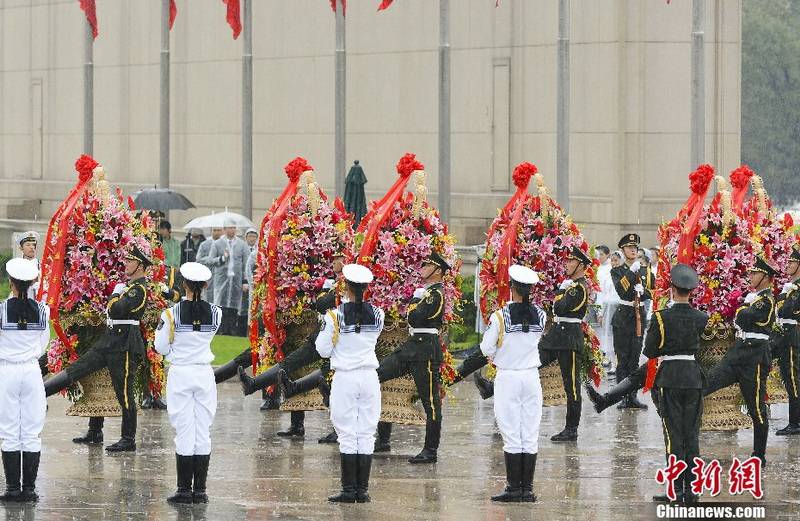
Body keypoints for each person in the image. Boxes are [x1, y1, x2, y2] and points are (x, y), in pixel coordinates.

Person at [44, 246, 152, 452]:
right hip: (110, 341)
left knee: (125, 393)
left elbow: (116, 309)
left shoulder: (139, 290)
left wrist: (114, 295)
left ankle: (128, 439)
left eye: (130, 261)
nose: (126, 264)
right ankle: (40, 393)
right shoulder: (130, 288)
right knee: (78, 369)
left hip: (125, 345)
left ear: (140, 266)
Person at [239, 255, 344, 441]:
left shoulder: (344, 286)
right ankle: (254, 385)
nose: (333, 262)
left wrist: (325, 291)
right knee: (290, 365)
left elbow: (322, 304)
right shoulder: (334, 284)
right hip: (320, 339)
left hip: (340, 344)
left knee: (330, 381)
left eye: (338, 259)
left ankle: (339, 430)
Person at [316, 264, 384, 503]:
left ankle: (348, 490)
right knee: (366, 432)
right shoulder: (378, 314)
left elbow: (322, 350)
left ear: (345, 286)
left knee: (346, 433)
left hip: (346, 376)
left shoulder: (334, 316)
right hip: (369, 376)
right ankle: (362, 491)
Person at [373, 251, 449, 464]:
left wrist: (415, 300)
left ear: (438, 271)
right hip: (411, 347)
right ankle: (380, 436)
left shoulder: (436, 294)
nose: (422, 268)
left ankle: (430, 450)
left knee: (431, 402)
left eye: (427, 265)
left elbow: (415, 317)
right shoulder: (428, 292)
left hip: (426, 350)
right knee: (375, 375)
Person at [155, 262, 221, 504]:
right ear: (205, 285)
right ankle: (200, 491)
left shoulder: (170, 314)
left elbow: (160, 347)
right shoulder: (216, 312)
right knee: (202, 430)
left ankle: (184, 490)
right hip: (204, 373)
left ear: (183, 284)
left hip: (181, 372)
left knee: (184, 429)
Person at [642, 264, 708, 504]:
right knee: (691, 434)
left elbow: (649, 350)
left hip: (670, 377)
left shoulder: (661, 317)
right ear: (691, 291)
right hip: (692, 377)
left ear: (672, 289)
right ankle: (692, 490)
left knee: (672, 434)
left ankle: (676, 489)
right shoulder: (702, 317)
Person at [480, 264, 544, 502]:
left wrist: (498, 356)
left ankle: (512, 487)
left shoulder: (500, 317)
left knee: (510, 432)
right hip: (531, 376)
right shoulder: (541, 314)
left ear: (512, 289)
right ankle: (526, 489)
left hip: (508, 376)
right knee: (529, 432)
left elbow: (486, 347)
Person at [704, 256, 776, 466]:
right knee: (707, 383)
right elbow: (740, 316)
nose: (751, 277)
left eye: (755, 273)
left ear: (765, 277)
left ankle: (759, 454)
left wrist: (743, 309)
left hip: (754, 357)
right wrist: (743, 310)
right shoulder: (754, 299)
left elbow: (743, 317)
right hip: (738, 352)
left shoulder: (767, 301)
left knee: (755, 406)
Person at [0, 259, 49, 503]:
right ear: (31, 283)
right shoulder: (43, 310)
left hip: (7, 371)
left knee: (9, 431)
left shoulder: (0, 310)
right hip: (31, 371)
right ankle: (29, 489)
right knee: (31, 430)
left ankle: (11, 489)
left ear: (10, 282)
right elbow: (43, 346)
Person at [539, 246, 592, 442]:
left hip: (569, 340)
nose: (566, 264)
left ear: (581, 265)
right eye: (567, 261)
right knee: (528, 363)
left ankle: (571, 428)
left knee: (572, 386)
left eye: (571, 261)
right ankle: (491, 388)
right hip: (556, 337)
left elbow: (560, 308)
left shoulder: (579, 288)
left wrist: (561, 290)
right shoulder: (571, 286)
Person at [610, 233, 652, 409]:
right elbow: (621, 290)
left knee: (635, 358)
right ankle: (622, 396)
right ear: (623, 250)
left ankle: (632, 396)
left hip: (638, 317)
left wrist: (644, 291)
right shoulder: (617, 270)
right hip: (623, 316)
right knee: (623, 359)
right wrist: (631, 271)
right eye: (629, 247)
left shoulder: (645, 270)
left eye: (635, 247)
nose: (633, 250)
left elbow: (652, 291)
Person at [141, 265, 183, 410]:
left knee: (158, 359)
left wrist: (167, 291)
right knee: (143, 358)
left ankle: (157, 394)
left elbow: (178, 296)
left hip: (161, 322)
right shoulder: (141, 271)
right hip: (143, 320)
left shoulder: (170, 271)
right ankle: (145, 394)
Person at [774, 247, 800, 436]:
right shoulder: (791, 287)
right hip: (787, 333)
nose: (788, 265)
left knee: (793, 379)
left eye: (792, 262)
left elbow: (786, 310)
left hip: (792, 334)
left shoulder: (796, 288)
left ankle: (795, 422)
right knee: (791, 377)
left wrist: (783, 296)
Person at [208, 224, 249, 336]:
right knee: (221, 305)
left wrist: (245, 281)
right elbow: (210, 260)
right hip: (221, 280)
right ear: (224, 230)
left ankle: (232, 330)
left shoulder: (242, 245)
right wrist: (222, 258)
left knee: (234, 306)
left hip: (236, 281)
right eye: (230, 227)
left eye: (234, 227)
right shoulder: (217, 244)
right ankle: (221, 329)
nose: (232, 230)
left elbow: (246, 264)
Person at [196, 227, 223, 302]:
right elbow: (198, 259)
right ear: (211, 231)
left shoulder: (225, 244)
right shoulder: (204, 244)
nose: (217, 232)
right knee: (208, 297)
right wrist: (211, 259)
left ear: (222, 231)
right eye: (215, 230)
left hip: (222, 275)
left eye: (218, 230)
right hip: (209, 275)